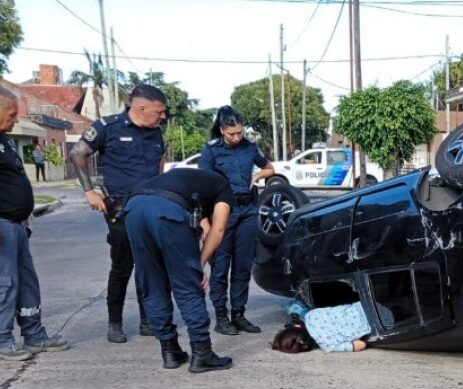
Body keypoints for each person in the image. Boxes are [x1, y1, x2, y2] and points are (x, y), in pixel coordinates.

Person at [69, 84, 167, 344]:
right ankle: (115, 322)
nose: (163, 116)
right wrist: (89, 191)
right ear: (140, 107)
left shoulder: (156, 132)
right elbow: (78, 153)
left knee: (149, 267)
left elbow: (159, 167)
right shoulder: (107, 126)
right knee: (123, 266)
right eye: (159, 111)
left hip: (149, 208)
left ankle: (148, 321)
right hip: (120, 209)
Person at [123, 167, 235, 372]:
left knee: (152, 282)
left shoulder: (189, 181)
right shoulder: (223, 186)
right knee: (187, 285)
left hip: (133, 208)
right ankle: (202, 354)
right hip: (167, 209)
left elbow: (205, 229)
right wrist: (198, 266)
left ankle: (170, 351)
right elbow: (218, 229)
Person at [0, 87, 69, 361]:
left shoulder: (4, 141)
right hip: (2, 225)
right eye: (12, 114)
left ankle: (34, 334)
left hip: (16, 224)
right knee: (5, 284)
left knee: (27, 283)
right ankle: (3, 340)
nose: (15, 120)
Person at [198, 106, 275, 336]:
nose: (236, 137)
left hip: (248, 211)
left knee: (243, 267)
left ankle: (239, 314)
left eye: (240, 132)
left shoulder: (250, 147)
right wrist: (205, 224)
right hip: (223, 212)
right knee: (221, 267)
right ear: (222, 130)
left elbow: (270, 168)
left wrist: (258, 175)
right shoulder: (211, 151)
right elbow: (201, 187)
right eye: (231, 133)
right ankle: (221, 316)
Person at [272, 301, 373, 353]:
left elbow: (361, 345)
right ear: (296, 326)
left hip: (376, 324)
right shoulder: (312, 315)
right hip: (369, 305)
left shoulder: (327, 346)